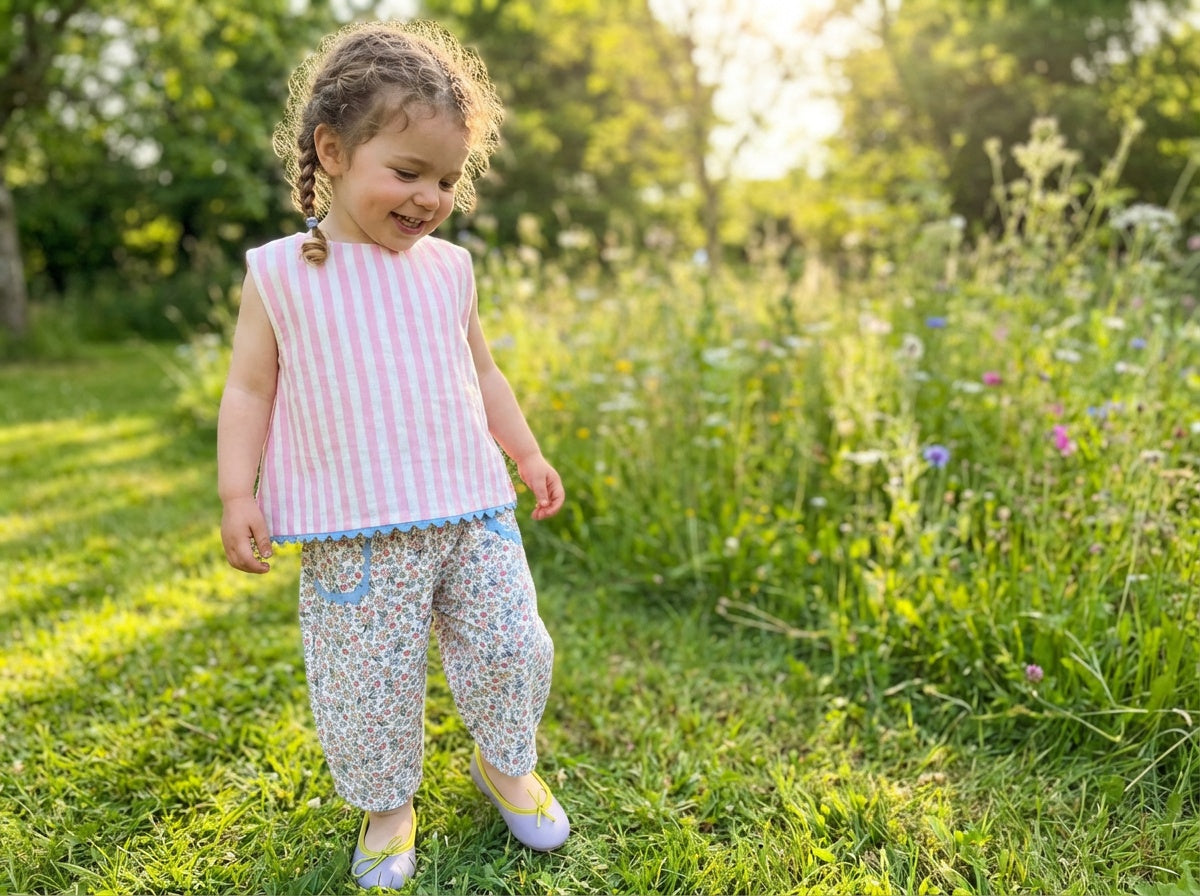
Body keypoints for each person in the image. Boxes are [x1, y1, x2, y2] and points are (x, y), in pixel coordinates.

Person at [216, 20, 570, 890]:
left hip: (472, 509)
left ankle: (506, 760)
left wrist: (523, 455)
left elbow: (481, 371)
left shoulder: (448, 270)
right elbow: (250, 391)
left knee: (512, 647)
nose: (428, 197)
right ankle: (386, 805)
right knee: (366, 681)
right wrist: (238, 492)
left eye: (446, 179)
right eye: (407, 172)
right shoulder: (279, 273)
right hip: (353, 528)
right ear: (331, 152)